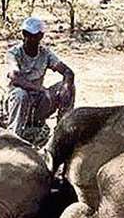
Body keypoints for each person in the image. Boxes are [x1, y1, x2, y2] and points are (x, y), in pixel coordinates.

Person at [4, 16, 75, 144]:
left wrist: (66, 86)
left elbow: (68, 72)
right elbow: (15, 77)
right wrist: (40, 89)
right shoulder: (14, 53)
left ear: (40, 36)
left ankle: (62, 133)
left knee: (68, 87)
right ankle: (14, 137)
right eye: (26, 34)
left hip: (39, 101)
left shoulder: (45, 54)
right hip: (19, 101)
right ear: (23, 34)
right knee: (20, 94)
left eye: (33, 35)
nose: (29, 38)